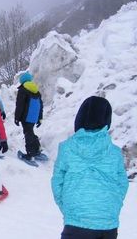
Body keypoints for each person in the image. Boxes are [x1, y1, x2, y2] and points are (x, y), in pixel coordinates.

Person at [51, 96, 129, 239]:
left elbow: (57, 182)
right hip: (108, 224)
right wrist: (112, 206)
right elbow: (122, 184)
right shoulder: (115, 152)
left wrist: (68, 209)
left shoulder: (66, 148)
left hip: (76, 222)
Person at [14, 72, 43, 160]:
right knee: (30, 132)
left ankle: (30, 154)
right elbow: (41, 105)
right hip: (34, 116)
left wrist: (17, 118)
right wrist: (40, 118)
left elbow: (20, 105)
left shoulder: (22, 90)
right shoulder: (36, 91)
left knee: (28, 133)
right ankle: (36, 149)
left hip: (26, 117)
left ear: (22, 81)